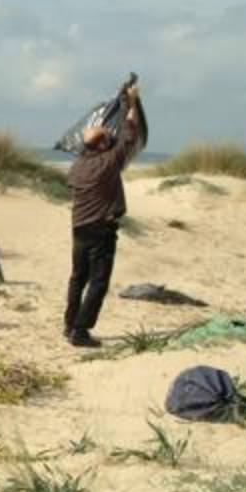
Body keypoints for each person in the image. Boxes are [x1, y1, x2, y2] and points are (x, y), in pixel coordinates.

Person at [63, 83, 142, 347]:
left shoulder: (78, 166)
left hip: (79, 229)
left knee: (78, 278)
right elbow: (130, 133)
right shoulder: (107, 164)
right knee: (98, 282)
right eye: (107, 133)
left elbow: (115, 139)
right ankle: (80, 331)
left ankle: (69, 324)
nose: (110, 132)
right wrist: (131, 102)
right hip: (100, 230)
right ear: (103, 144)